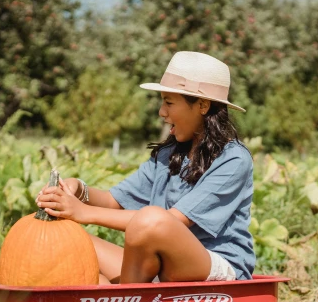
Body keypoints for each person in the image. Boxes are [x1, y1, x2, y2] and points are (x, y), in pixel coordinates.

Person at [36, 51, 255, 284]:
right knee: (68, 239)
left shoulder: (234, 160)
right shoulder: (169, 155)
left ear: (202, 105)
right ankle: (122, 298)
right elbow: (114, 200)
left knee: (152, 218)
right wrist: (79, 191)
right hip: (162, 264)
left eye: (169, 102)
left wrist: (84, 213)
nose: (162, 112)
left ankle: (125, 300)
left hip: (216, 265)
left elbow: (170, 221)